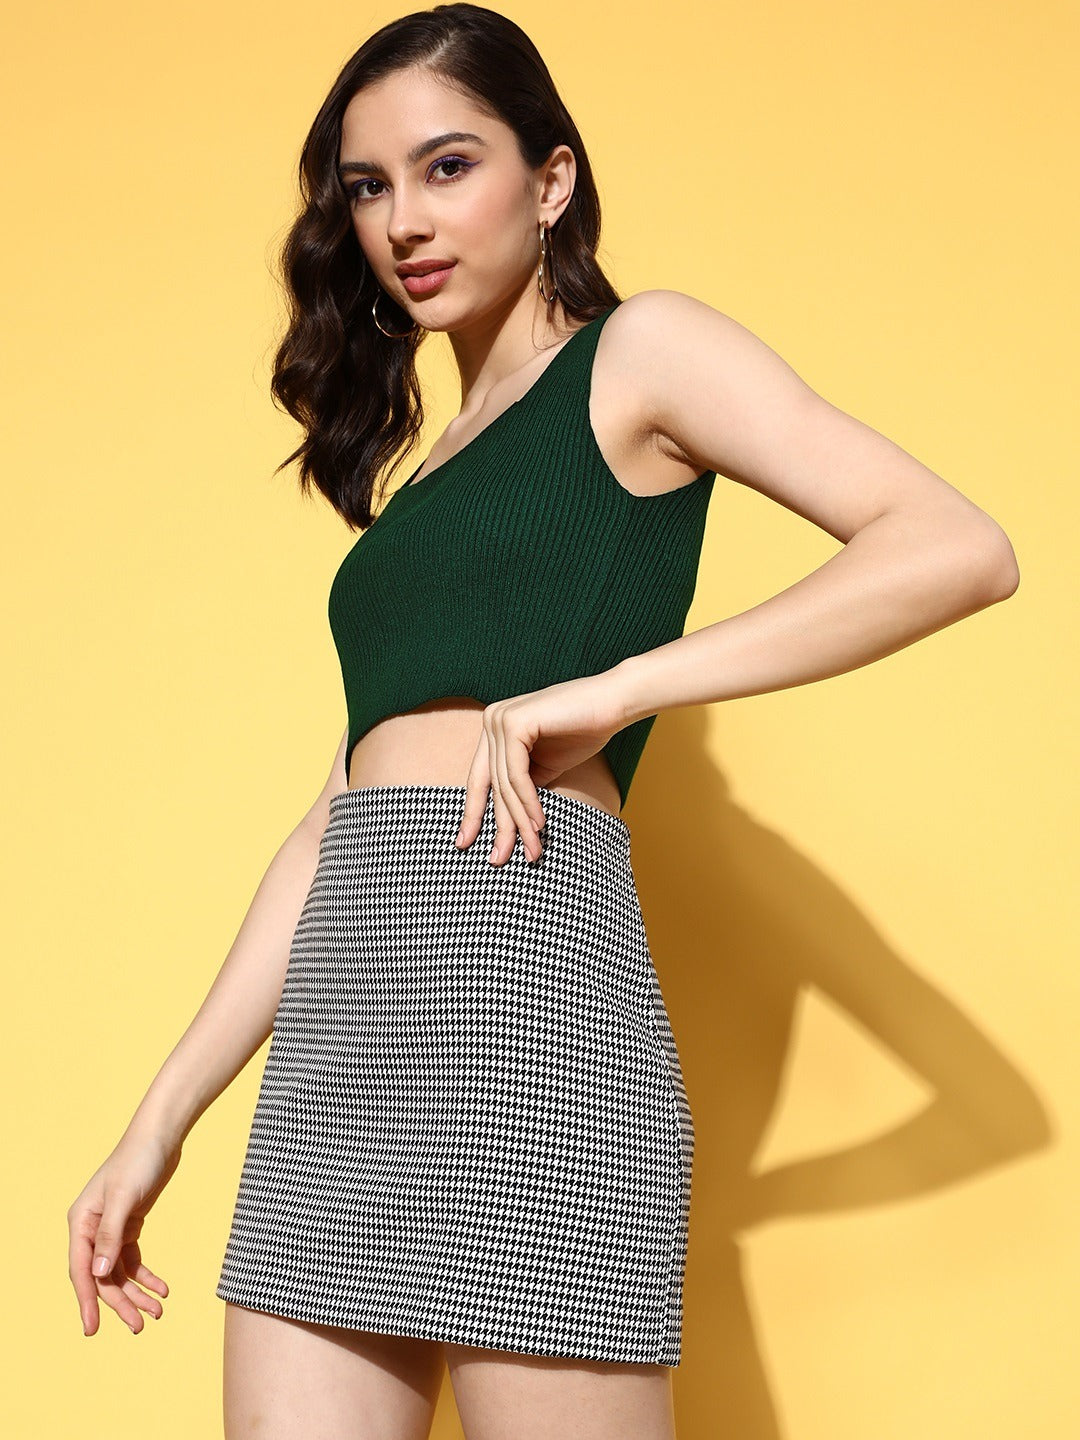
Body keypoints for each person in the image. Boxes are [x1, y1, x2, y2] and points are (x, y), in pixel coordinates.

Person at [66, 5, 1020, 1438]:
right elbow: (337, 821)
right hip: (349, 1015)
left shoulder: (641, 356)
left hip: (533, 985)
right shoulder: (431, 472)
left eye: (448, 166)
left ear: (552, 179)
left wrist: (616, 690)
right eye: (369, 187)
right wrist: (159, 1122)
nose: (403, 221)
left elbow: (957, 547)